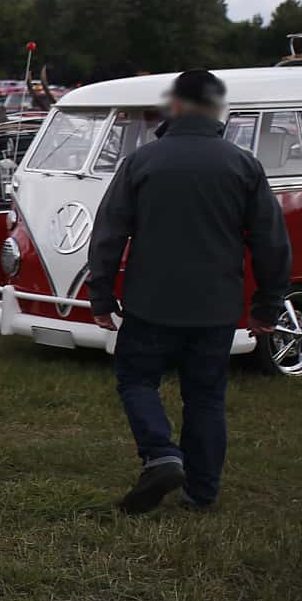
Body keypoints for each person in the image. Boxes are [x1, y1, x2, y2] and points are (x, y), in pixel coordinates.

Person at [87, 70, 292, 514]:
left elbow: (108, 235)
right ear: (217, 109)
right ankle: (201, 492)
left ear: (174, 106)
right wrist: (267, 306)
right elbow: (272, 242)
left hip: (150, 303)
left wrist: (101, 299)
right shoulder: (243, 165)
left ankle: (160, 455)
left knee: (137, 379)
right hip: (216, 306)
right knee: (205, 396)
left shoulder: (142, 163)